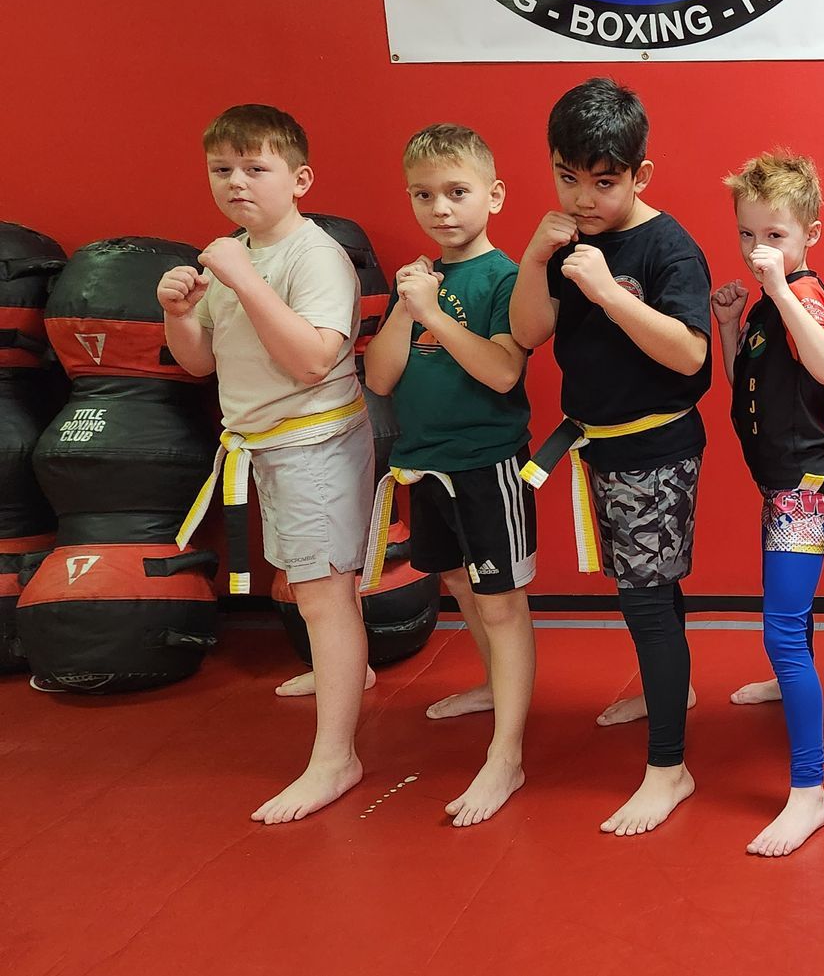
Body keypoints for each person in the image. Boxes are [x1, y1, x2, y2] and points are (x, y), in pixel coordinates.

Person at [509, 78, 713, 836]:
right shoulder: (566, 238)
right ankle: (673, 694)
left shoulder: (669, 247)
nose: (584, 198)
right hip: (600, 447)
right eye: (568, 178)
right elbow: (528, 332)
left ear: (640, 175)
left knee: (645, 599)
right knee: (645, 589)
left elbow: (691, 355)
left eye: (604, 182)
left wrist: (609, 293)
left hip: (657, 449)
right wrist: (535, 257)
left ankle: (670, 767)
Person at [162, 104, 375, 824]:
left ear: (299, 179)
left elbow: (314, 359)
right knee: (316, 586)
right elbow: (200, 363)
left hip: (315, 444)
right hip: (266, 447)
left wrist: (243, 280)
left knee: (323, 593)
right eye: (222, 169)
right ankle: (350, 671)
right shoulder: (232, 253)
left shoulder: (314, 256)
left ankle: (336, 758)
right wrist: (179, 314)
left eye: (256, 168)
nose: (237, 183)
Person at [362, 123, 536, 828]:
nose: (440, 208)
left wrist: (433, 310)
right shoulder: (417, 278)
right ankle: (496, 686)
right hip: (424, 465)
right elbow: (380, 377)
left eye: (457, 192)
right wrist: (409, 307)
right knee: (461, 584)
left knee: (501, 603)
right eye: (423, 194)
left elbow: (503, 371)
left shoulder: (505, 278)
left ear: (493, 196)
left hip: (487, 464)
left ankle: (506, 755)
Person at [708, 150, 824, 856]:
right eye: (746, 234)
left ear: (809, 234)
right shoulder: (770, 301)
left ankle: (809, 790)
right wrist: (733, 326)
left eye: (775, 236)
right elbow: (751, 385)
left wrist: (779, 291)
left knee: (782, 631)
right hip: (777, 486)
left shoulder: (804, 295)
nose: (757, 249)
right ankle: (790, 684)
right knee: (793, 618)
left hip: (804, 493)